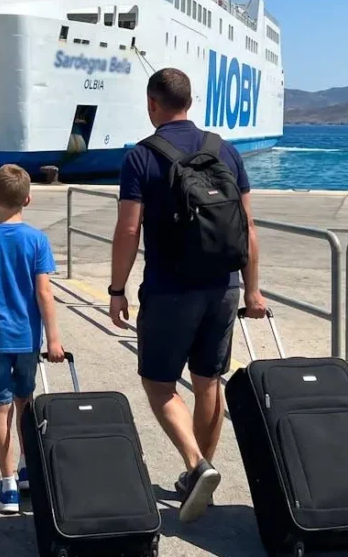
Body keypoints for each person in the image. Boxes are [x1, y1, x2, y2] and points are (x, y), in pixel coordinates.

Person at [108, 68, 267, 523]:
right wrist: (251, 289)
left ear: (152, 104)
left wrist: (117, 289)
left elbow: (128, 229)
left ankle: (197, 465)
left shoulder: (142, 157)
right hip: (223, 286)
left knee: (158, 383)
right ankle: (201, 477)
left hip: (169, 288)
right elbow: (249, 229)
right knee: (208, 381)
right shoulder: (226, 151)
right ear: (190, 103)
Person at [0, 163, 65, 514]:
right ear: (28, 200)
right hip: (26, 340)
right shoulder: (37, 240)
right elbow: (44, 294)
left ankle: (7, 488)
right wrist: (53, 339)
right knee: (25, 404)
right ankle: (28, 469)